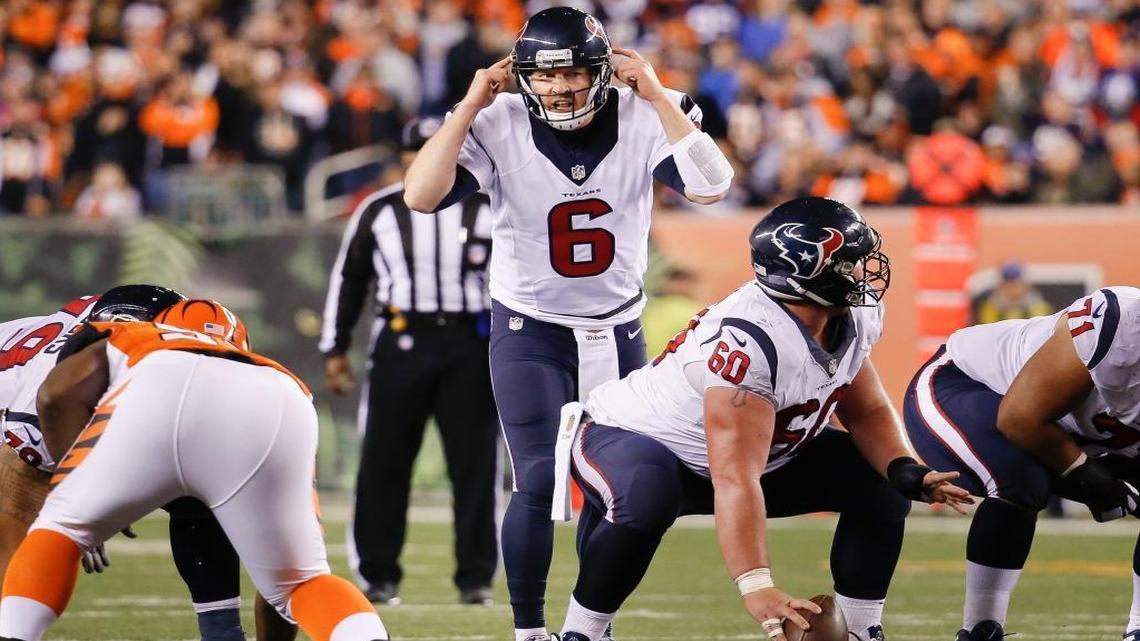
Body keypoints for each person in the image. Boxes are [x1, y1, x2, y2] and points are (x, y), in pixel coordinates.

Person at [403, 9, 734, 641]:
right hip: (534, 327)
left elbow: (712, 186)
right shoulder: (497, 122)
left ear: (604, 70)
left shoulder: (646, 111)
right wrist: (468, 106)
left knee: (614, 485)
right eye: (546, 77)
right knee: (538, 478)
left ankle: (587, 627)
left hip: (617, 328)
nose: (562, 89)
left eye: (577, 73)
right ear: (523, 76)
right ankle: (529, 631)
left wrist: (659, 95)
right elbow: (420, 194)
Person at [550, 197, 972, 641]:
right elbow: (734, 476)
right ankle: (584, 632)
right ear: (805, 274)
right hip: (632, 438)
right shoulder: (750, 339)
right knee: (647, 496)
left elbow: (864, 408)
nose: (861, 271)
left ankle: (862, 630)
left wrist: (905, 468)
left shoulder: (854, 313)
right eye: (847, 263)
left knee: (880, 485)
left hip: (752, 458)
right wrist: (757, 584)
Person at [0, 299, 389, 641]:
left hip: (157, 380)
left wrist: (74, 493)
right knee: (301, 582)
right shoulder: (273, 373)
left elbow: (53, 396)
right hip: (281, 399)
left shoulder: (127, 335)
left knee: (62, 531)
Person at [321, 116, 500, 606]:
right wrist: (334, 348)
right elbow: (349, 279)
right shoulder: (378, 209)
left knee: (476, 464)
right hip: (403, 340)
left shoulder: (487, 206)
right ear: (401, 160)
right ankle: (378, 575)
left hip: (471, 341)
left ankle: (476, 578)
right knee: (384, 461)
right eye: (417, 152)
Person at [904, 286, 1140, 641]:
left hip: (1067, 427)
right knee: (1020, 479)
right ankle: (980, 630)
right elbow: (1020, 419)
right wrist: (1087, 476)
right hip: (968, 385)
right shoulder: (1120, 325)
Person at [975, 261, 1052, 324]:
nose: (1010, 291)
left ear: (1025, 285)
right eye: (1006, 286)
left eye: (1013, 286)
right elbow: (988, 328)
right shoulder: (992, 306)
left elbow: (1040, 329)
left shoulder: (1037, 306)